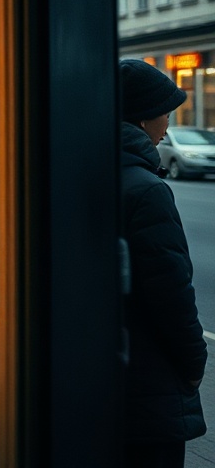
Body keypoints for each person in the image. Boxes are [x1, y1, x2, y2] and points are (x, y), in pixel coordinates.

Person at [118, 58, 207, 468]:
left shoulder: (83, 172)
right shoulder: (146, 190)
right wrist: (194, 364)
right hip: (146, 384)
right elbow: (171, 291)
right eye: (165, 114)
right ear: (141, 120)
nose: (168, 126)